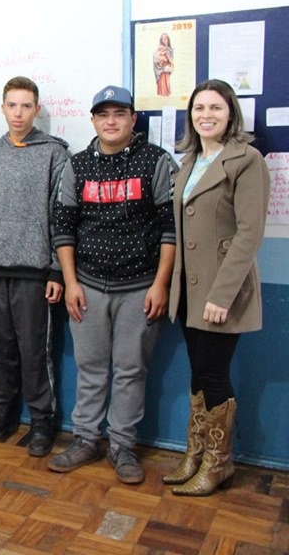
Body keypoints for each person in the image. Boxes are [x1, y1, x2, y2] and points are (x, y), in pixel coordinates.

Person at [49, 85, 177, 484]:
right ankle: (86, 439)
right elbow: (63, 229)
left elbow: (170, 229)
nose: (111, 121)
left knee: (130, 370)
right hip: (87, 285)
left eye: (119, 113)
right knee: (89, 369)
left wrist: (161, 284)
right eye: (103, 114)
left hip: (140, 286)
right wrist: (70, 282)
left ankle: (122, 446)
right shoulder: (77, 165)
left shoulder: (156, 161)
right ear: (92, 120)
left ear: (133, 119)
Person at [164, 79, 270, 496]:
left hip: (221, 292)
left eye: (215, 108)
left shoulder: (247, 160)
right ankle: (196, 455)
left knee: (213, 372)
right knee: (198, 374)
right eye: (199, 108)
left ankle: (219, 463)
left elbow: (249, 234)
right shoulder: (190, 161)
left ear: (230, 115)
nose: (206, 115)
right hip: (188, 291)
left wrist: (221, 295)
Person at [0, 76, 69, 455]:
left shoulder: (54, 153)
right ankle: (2, 414)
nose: (19, 113)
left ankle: (42, 421)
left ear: (37, 109)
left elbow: (61, 214)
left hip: (34, 271)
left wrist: (56, 268)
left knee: (34, 352)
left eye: (26, 106)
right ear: (3, 108)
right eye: (12, 105)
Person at [154, 33, 174, 97]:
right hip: (161, 68)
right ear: (161, 40)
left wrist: (170, 63)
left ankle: (166, 92)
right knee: (162, 80)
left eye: (166, 38)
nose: (165, 40)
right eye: (163, 38)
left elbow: (171, 59)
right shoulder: (160, 49)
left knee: (166, 80)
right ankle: (161, 93)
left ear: (168, 39)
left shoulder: (169, 49)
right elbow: (155, 58)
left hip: (167, 67)